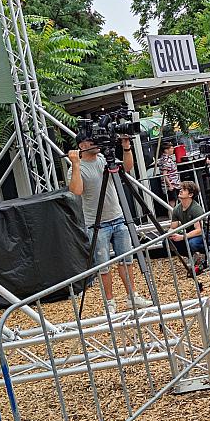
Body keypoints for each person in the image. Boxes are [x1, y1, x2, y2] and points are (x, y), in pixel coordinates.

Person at [68, 135, 152, 315]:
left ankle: (132, 296)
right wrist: (75, 164)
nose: (97, 145)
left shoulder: (105, 159)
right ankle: (109, 302)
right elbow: (76, 190)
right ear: (82, 145)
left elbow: (128, 168)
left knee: (127, 260)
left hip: (118, 217)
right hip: (96, 223)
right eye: (92, 143)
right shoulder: (77, 167)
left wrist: (126, 148)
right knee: (104, 265)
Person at [169, 181, 210, 273]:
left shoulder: (196, 209)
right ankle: (192, 255)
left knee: (192, 243)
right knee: (167, 242)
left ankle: (206, 250)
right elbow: (173, 227)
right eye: (181, 189)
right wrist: (170, 234)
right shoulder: (177, 209)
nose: (180, 191)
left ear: (190, 194)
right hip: (188, 233)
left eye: (184, 190)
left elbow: (199, 230)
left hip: (203, 234)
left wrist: (182, 237)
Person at [158, 140, 180, 205]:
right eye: (171, 148)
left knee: (175, 202)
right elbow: (165, 174)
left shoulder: (164, 158)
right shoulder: (166, 160)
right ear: (166, 150)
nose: (173, 149)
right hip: (171, 185)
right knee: (172, 203)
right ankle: (172, 215)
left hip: (174, 184)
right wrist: (170, 185)